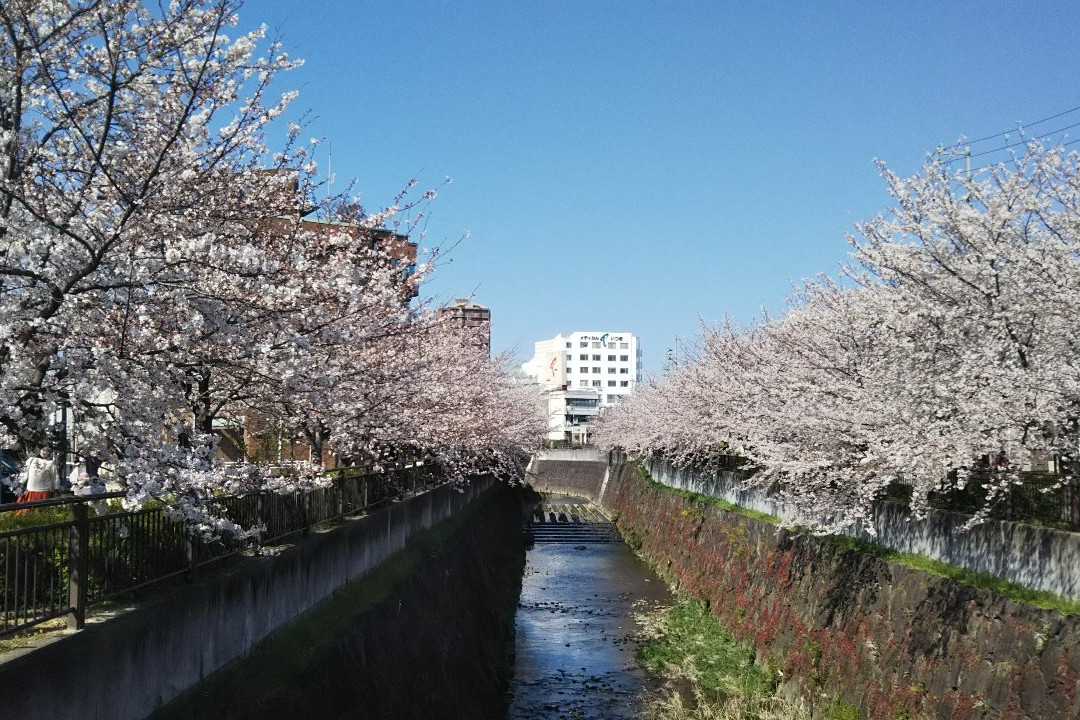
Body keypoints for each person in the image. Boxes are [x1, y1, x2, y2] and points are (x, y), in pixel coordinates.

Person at [15, 447, 58, 514]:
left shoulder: (51, 463)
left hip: (43, 492)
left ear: (50, 453)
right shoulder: (31, 460)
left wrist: (56, 488)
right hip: (30, 491)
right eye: (43, 450)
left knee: (41, 513)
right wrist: (20, 483)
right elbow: (25, 473)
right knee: (26, 513)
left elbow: (54, 477)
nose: (44, 452)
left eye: (47, 451)